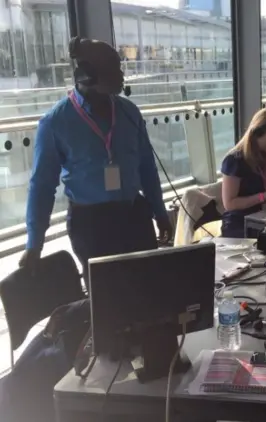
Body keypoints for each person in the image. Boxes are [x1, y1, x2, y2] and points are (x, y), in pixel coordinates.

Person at [20, 37, 172, 279]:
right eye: (113, 69)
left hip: (134, 214)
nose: (121, 75)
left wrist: (160, 212)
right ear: (86, 76)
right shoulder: (55, 123)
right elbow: (41, 187)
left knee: (149, 289)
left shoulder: (129, 112)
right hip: (91, 224)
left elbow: (147, 168)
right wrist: (34, 244)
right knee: (107, 300)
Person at [220, 108, 266, 237]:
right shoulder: (235, 161)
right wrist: (265, 195)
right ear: (257, 133)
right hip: (239, 224)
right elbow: (230, 204)